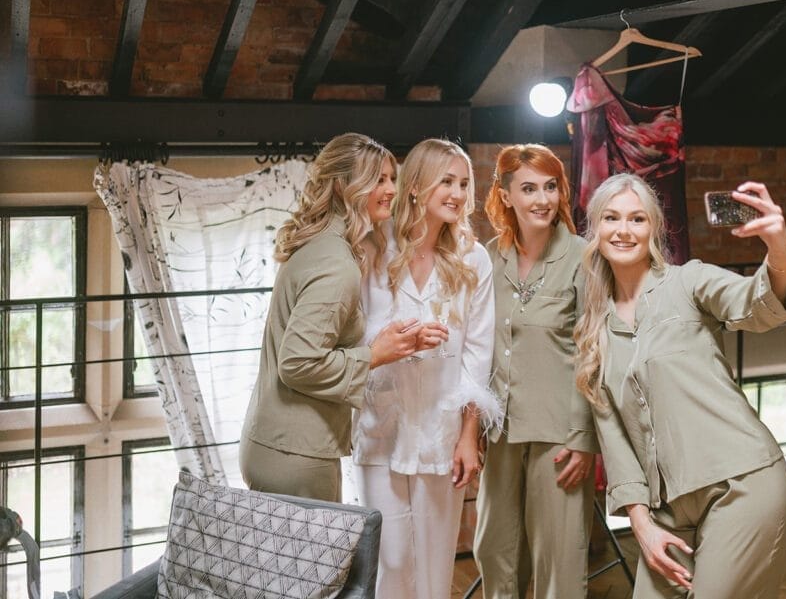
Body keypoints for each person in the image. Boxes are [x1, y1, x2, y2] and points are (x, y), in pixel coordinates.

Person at [574, 173, 786, 599]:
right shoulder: (593, 329)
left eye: (637, 219)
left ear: (654, 230)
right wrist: (642, 525)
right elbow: (615, 443)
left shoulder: (688, 282)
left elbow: (756, 303)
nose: (623, 230)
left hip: (743, 484)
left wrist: (780, 247)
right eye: (611, 218)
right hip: (667, 513)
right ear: (596, 230)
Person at [239, 133, 429, 502]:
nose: (391, 189)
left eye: (393, 177)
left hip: (275, 442)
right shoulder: (336, 264)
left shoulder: (321, 244)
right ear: (344, 185)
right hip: (297, 454)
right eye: (378, 179)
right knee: (318, 562)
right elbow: (296, 363)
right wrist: (375, 355)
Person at [351, 138, 501, 599]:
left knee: (436, 569)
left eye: (462, 183)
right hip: (380, 428)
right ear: (415, 187)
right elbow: (351, 337)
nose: (457, 193)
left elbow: (479, 353)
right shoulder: (371, 250)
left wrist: (469, 435)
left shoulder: (473, 258)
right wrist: (394, 344)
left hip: (442, 429)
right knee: (391, 564)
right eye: (446, 182)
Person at [473, 144, 598, 599]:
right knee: (493, 549)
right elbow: (476, 346)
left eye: (550, 187)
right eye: (528, 188)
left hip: (559, 435)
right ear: (506, 196)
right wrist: (473, 425)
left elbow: (594, 352)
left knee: (558, 563)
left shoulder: (584, 257)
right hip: (502, 430)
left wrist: (584, 439)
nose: (542, 199)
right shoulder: (486, 257)